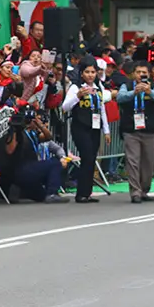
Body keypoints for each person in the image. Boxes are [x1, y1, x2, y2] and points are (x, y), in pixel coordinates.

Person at [62, 60, 112, 203]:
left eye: (93, 72)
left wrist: (106, 130)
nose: (90, 75)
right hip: (80, 126)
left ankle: (87, 192)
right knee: (87, 156)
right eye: (87, 72)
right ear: (82, 74)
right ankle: (81, 193)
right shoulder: (75, 87)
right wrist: (78, 96)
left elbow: (102, 109)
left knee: (91, 159)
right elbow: (65, 107)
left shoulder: (98, 88)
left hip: (95, 127)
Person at [116, 61, 154, 203]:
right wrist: (134, 92)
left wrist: (149, 91)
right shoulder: (127, 85)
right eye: (138, 72)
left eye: (144, 72)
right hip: (131, 129)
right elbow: (120, 97)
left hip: (149, 130)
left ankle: (144, 190)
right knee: (133, 161)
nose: (141, 75)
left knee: (148, 163)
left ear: (148, 74)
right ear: (133, 74)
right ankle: (135, 192)